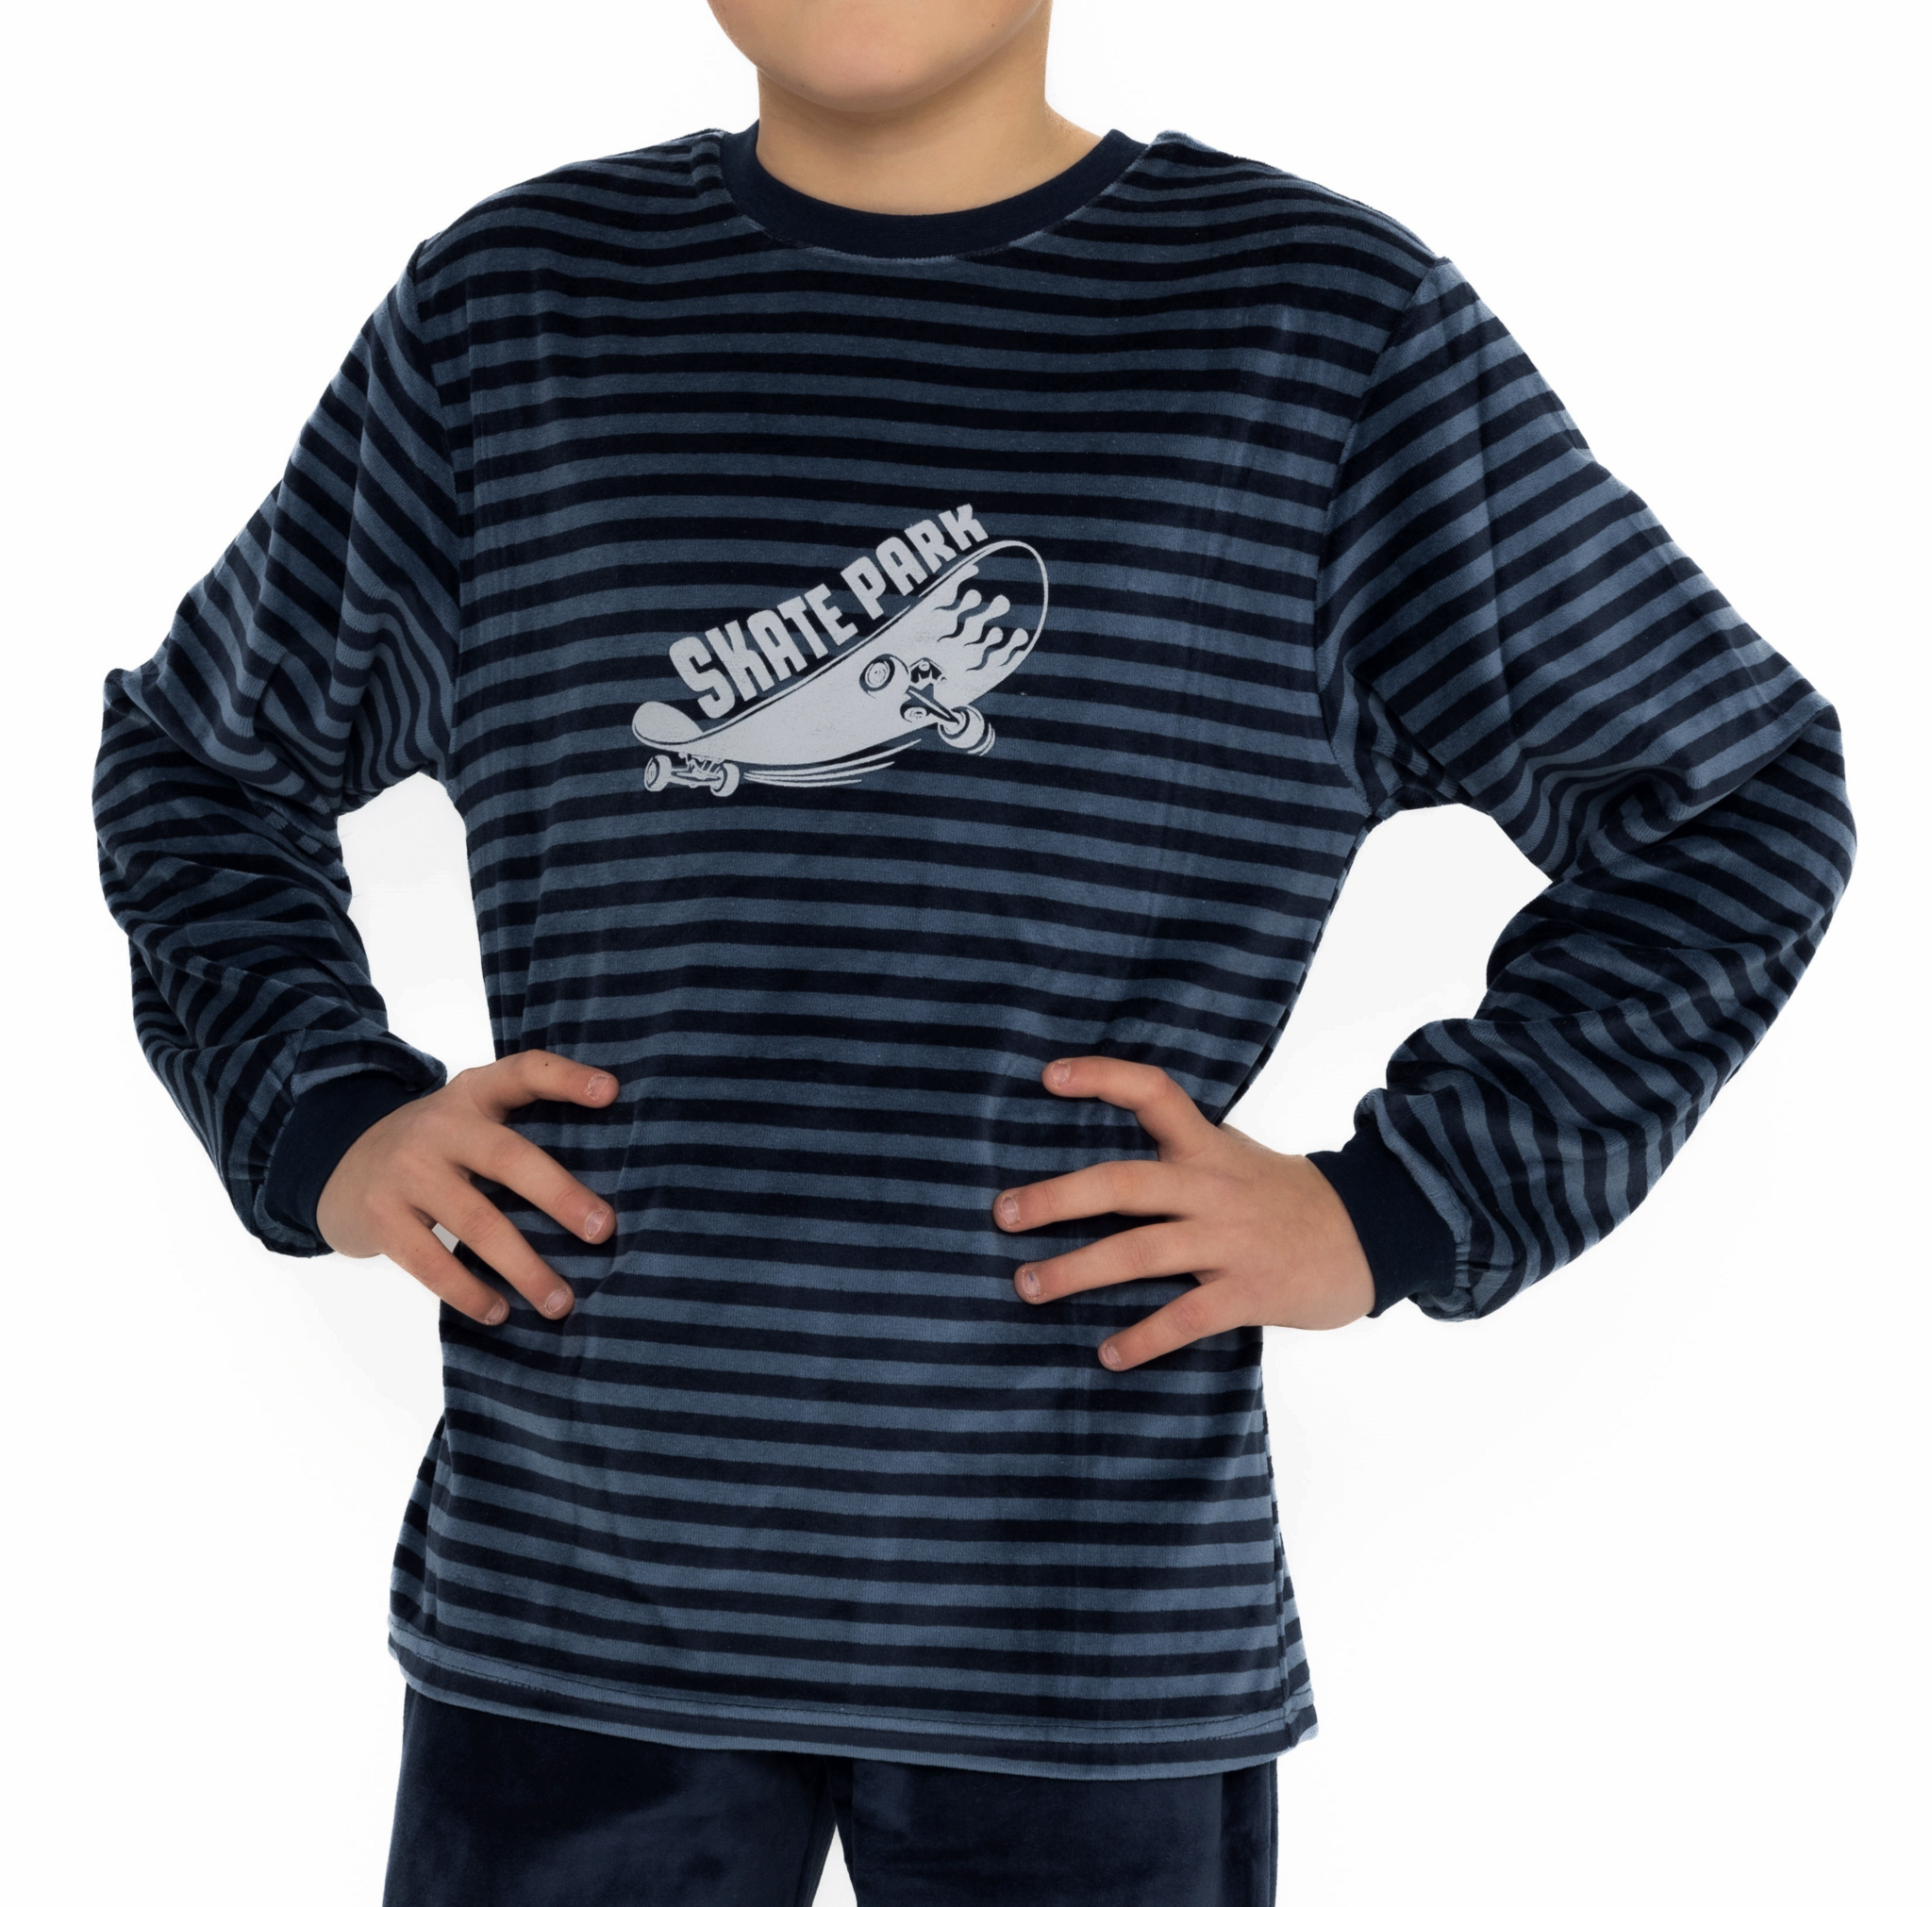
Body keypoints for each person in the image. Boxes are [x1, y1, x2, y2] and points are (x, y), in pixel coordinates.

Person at [92, 2, 1855, 1901]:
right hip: (577, 1589)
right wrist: (326, 1116)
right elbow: (201, 764)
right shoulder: (511, 315)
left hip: (1084, 1613)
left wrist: (1401, 1203)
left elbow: (1732, 797)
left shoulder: (1315, 333)